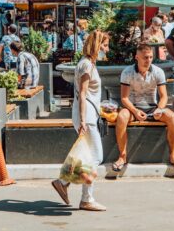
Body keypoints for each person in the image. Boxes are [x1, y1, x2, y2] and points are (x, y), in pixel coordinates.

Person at [51, 30, 109, 212]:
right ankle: (81, 195)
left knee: (89, 157)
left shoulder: (87, 64)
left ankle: (69, 186)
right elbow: (82, 94)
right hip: (87, 116)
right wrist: (84, 120)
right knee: (96, 157)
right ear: (96, 45)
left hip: (89, 114)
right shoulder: (87, 66)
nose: (107, 49)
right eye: (105, 45)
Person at [113, 44, 174, 172]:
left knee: (172, 117)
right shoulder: (127, 72)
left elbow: (163, 97)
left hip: (152, 107)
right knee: (122, 116)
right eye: (145, 57)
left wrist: (159, 109)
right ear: (137, 57)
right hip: (133, 107)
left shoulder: (158, 71)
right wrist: (135, 111)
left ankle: (173, 156)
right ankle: (122, 156)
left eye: (151, 57)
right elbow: (124, 98)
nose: (148, 60)